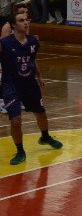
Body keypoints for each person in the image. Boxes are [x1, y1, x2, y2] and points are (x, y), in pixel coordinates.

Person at [0, 12, 63, 165]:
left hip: (29, 83)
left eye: (26, 20)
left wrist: (39, 76)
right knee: (15, 120)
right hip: (11, 85)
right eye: (21, 21)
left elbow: (32, 61)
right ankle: (20, 150)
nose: (26, 23)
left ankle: (45, 137)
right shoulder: (5, 43)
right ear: (13, 25)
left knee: (41, 113)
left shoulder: (33, 42)